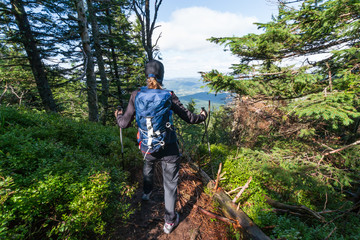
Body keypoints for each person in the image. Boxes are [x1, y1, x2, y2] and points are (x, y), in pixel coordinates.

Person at [115, 60, 207, 234]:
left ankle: (146, 193)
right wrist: (202, 116)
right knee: (170, 184)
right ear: (162, 75)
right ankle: (169, 222)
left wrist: (118, 115)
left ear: (146, 74)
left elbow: (124, 123)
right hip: (169, 146)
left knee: (148, 165)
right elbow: (189, 118)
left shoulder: (136, 95)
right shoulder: (168, 95)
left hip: (147, 146)